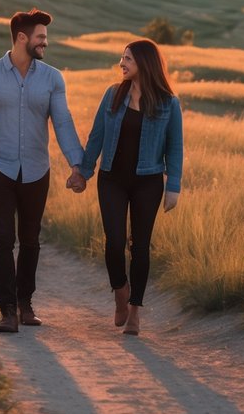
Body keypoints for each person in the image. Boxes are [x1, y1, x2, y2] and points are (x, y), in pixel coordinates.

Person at [0, 8, 85, 334]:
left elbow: (62, 122)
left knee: (30, 240)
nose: (46, 42)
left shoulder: (52, 79)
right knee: (3, 239)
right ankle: (6, 311)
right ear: (22, 38)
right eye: (41, 37)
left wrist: (78, 164)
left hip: (35, 170)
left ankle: (25, 302)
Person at [74, 39, 183, 336]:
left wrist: (173, 185)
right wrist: (83, 172)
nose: (122, 64)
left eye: (128, 60)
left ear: (144, 64)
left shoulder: (168, 103)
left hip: (148, 181)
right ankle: (120, 291)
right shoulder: (113, 95)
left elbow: (175, 146)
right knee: (114, 241)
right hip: (112, 178)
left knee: (140, 247)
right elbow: (96, 136)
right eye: (122, 58)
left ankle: (135, 311)